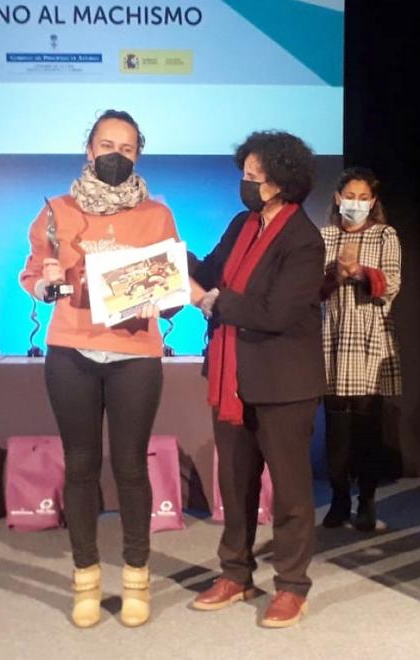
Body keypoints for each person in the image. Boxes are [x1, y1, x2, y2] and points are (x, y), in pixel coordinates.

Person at [18, 110, 179, 629]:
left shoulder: (157, 214)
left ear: (139, 156)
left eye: (127, 148)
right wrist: (43, 286)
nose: (116, 155)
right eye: (107, 145)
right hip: (71, 351)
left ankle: (136, 579)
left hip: (136, 354)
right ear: (89, 150)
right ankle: (85, 580)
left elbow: (170, 286)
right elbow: (31, 273)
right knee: (81, 467)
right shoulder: (55, 210)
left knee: (131, 467)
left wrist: (166, 300)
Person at [186, 130, 325, 628]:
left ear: (281, 182)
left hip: (284, 381)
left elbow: (276, 313)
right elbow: (209, 270)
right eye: (243, 173)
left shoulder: (304, 239)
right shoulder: (241, 224)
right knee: (234, 483)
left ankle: (291, 585)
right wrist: (165, 254)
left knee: (289, 491)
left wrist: (213, 302)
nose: (245, 183)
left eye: (254, 176)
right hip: (232, 375)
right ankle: (236, 573)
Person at [318, 167, 402, 531]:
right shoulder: (324, 236)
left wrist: (357, 272)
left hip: (370, 336)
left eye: (363, 198)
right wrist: (335, 274)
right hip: (333, 337)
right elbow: (311, 288)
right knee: (336, 428)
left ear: (373, 201)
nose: (356, 203)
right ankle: (339, 499)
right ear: (338, 198)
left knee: (367, 426)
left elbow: (392, 283)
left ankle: (366, 500)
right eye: (350, 196)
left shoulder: (385, 235)